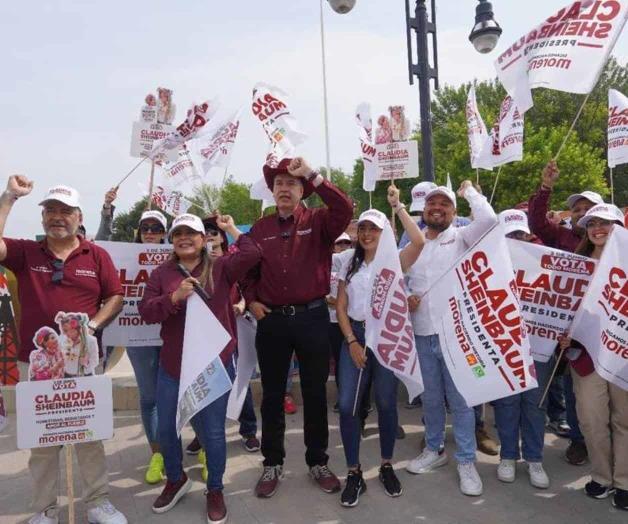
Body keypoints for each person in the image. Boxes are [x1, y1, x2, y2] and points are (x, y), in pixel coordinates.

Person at [0, 178, 127, 524]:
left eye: (65, 211)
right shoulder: (27, 251)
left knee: (89, 434)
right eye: (51, 211)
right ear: (42, 218)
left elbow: (115, 296)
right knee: (42, 442)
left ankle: (98, 501)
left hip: (84, 361)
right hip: (38, 362)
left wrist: (93, 327)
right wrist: (9, 197)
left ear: (78, 216)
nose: (58, 217)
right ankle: (44, 509)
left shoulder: (96, 254)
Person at [139, 213, 261, 524]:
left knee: (213, 433)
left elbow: (252, 253)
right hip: (173, 366)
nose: (184, 238)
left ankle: (216, 489)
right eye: (178, 233)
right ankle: (176, 479)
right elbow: (147, 311)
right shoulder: (161, 274)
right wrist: (174, 296)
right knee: (167, 427)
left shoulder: (221, 266)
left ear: (202, 238)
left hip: (213, 366)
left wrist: (229, 226)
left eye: (191, 233)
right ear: (172, 239)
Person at [242, 157, 353, 498]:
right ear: (272, 192)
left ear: (302, 189)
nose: (284, 189)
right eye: (278, 184)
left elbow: (344, 208)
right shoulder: (260, 228)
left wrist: (312, 174)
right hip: (272, 321)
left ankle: (317, 460)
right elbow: (247, 270)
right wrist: (250, 299)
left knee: (316, 393)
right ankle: (272, 463)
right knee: (273, 395)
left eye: (291, 183)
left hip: (312, 318)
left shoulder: (320, 220)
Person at [405, 181, 496, 496]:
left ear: (454, 212)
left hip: (456, 336)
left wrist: (470, 191)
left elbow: (489, 220)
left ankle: (467, 460)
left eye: (444, 204)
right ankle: (434, 450)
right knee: (430, 399)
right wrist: (405, 297)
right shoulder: (413, 244)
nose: (438, 209)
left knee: (460, 402)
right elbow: (394, 279)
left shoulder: (462, 236)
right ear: (424, 210)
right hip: (421, 334)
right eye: (432, 204)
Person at [336, 187, 425, 507]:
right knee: (347, 405)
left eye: (373, 227)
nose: (366, 233)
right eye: (362, 228)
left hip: (386, 337)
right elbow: (342, 307)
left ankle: (386, 465)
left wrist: (398, 206)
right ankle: (354, 472)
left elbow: (418, 242)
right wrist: (351, 341)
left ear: (384, 232)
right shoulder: (348, 262)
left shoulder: (395, 261)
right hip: (357, 335)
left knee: (387, 403)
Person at [528, 160, 603, 466]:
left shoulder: (615, 241)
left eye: (589, 208)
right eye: (577, 209)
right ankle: (579, 440)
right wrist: (545, 186)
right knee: (575, 387)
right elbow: (535, 222)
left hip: (606, 326)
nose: (582, 213)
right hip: (570, 330)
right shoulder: (561, 236)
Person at [95, 190, 169, 486]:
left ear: (165, 232)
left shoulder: (175, 254)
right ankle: (157, 453)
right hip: (138, 338)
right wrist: (107, 210)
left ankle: (187, 446)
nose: (151, 233)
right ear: (139, 232)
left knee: (177, 395)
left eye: (157, 228)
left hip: (170, 337)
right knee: (149, 398)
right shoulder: (122, 253)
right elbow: (100, 244)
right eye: (146, 228)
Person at [558, 203, 628, 510]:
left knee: (624, 420)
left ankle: (624, 482)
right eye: (591, 224)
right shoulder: (577, 265)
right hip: (586, 355)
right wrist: (561, 332)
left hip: (622, 353)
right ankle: (602, 476)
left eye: (605, 222)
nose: (598, 228)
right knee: (591, 419)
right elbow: (559, 308)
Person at [492, 210, 553, 489]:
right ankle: (507, 455)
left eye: (519, 234)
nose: (515, 239)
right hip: (505, 345)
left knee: (534, 404)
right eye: (509, 235)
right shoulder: (491, 265)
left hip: (538, 346)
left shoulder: (547, 263)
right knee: (507, 403)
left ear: (527, 234)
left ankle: (534, 458)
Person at [328, 232, 354, 413]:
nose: (344, 246)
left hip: (353, 321)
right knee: (340, 362)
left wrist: (340, 303)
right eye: (339, 243)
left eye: (347, 243)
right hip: (332, 322)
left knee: (357, 361)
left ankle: (362, 402)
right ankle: (342, 396)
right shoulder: (326, 267)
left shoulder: (357, 265)